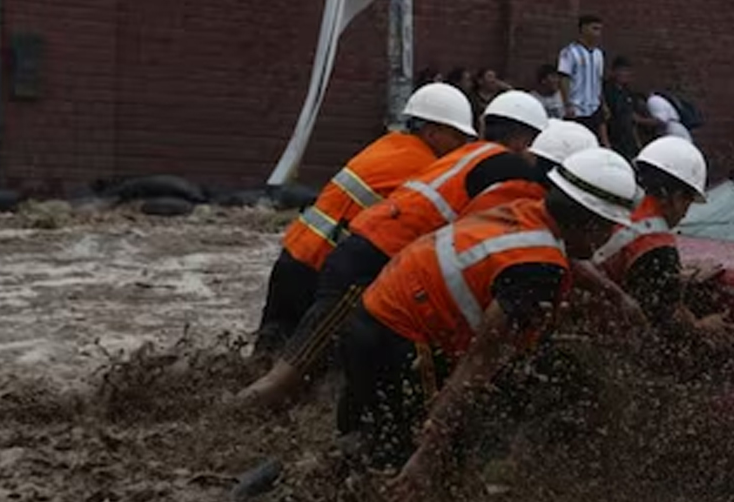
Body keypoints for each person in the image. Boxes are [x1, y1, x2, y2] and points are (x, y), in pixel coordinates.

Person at [235, 94, 569, 410]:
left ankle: (244, 403)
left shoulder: (470, 155)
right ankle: (229, 416)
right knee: (289, 376)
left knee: (312, 363)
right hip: (368, 263)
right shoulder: (511, 171)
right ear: (524, 141)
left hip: (355, 251)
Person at [342, 148, 639, 485]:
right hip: (400, 340)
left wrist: (611, 293)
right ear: (590, 223)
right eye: (611, 227)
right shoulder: (539, 271)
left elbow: (558, 254)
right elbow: (479, 361)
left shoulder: (527, 212)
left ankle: (307, 490)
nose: (610, 237)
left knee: (370, 443)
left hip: (375, 314)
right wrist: (429, 450)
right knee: (415, 463)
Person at [254, 82, 479, 357]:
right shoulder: (424, 167)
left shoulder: (387, 145)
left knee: (268, 350)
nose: (461, 146)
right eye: (457, 136)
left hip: (293, 256)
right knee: (305, 363)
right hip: (323, 269)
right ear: (432, 131)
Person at [592, 137, 709, 331]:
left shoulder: (616, 206)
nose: (685, 212)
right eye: (689, 202)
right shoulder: (657, 244)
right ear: (676, 198)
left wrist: (676, 275)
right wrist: (704, 326)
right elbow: (665, 318)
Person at [558, 14, 608, 144]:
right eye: (594, 29)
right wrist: (567, 104)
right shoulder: (569, 52)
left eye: (599, 30)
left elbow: (599, 80)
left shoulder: (599, 54)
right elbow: (564, 78)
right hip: (576, 108)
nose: (598, 34)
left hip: (594, 107)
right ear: (583, 29)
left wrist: (603, 104)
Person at [602, 56, 645, 160]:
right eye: (622, 70)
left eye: (627, 71)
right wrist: (606, 143)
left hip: (628, 142)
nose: (625, 74)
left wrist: (638, 143)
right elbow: (602, 118)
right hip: (613, 139)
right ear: (614, 71)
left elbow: (632, 120)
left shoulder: (628, 93)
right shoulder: (606, 91)